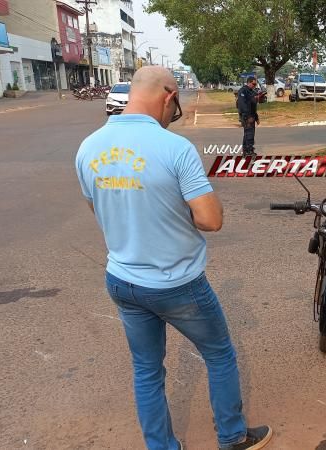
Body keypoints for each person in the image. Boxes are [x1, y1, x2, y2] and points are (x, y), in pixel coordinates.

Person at [75, 66, 272, 450]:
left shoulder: (88, 147)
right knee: (219, 355)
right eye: (175, 103)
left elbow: (99, 209)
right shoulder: (174, 148)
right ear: (168, 96)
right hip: (176, 283)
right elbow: (210, 220)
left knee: (147, 371)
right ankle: (232, 437)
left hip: (122, 279)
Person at [236, 77, 260, 156]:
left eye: (255, 84)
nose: (254, 86)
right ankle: (248, 151)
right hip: (246, 116)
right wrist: (247, 116)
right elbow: (242, 105)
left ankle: (246, 150)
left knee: (249, 133)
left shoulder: (252, 92)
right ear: (248, 82)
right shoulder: (243, 91)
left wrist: (256, 117)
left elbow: (253, 105)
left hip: (252, 116)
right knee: (249, 133)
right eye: (253, 84)